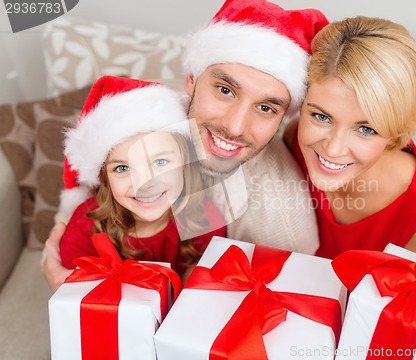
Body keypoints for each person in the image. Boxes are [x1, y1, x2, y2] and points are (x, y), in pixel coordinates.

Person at [42, 0, 330, 290]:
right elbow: (82, 203)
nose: (235, 127)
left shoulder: (281, 221)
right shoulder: (144, 115)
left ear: (284, 115)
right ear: (190, 81)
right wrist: (64, 267)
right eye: (225, 90)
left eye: (266, 108)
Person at [285, 16, 416, 358]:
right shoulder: (294, 140)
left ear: (395, 133)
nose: (334, 148)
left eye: (366, 129)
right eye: (321, 116)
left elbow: (410, 337)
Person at [58, 75, 225, 277]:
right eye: (122, 168)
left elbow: (203, 291)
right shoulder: (84, 232)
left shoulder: (205, 219)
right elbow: (82, 302)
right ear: (105, 180)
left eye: (160, 162)